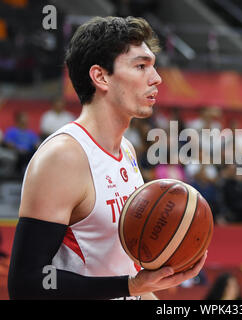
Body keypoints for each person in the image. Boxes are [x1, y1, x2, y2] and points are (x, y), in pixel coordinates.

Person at [8, 16, 206, 300]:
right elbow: (26, 284)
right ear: (101, 77)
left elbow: (125, 271)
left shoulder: (125, 149)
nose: (156, 78)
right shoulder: (64, 157)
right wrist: (131, 285)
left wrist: (144, 289)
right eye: (141, 66)